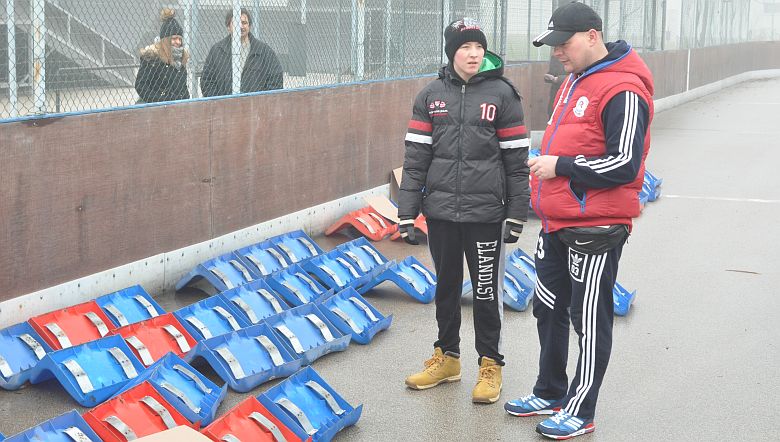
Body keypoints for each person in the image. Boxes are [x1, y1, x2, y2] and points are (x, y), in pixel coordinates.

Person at [503, 2, 654, 439]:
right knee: (547, 307)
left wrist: (561, 166)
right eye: (552, 45)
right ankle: (549, 390)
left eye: (563, 44)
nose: (557, 53)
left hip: (595, 227)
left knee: (587, 318)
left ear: (592, 36)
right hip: (556, 220)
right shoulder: (576, 79)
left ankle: (580, 410)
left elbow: (625, 163)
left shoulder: (623, 88)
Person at [399, 17, 530, 404]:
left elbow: (516, 162)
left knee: (486, 292)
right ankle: (447, 358)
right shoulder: (430, 96)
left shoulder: (503, 95)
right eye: (465, 47)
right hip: (440, 213)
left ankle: (491, 364)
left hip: (486, 215)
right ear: (451, 52)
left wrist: (517, 212)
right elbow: (416, 159)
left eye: (478, 47)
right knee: (445, 289)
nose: (473, 54)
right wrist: (407, 213)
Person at [200, 8, 283, 97]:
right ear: (228, 27)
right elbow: (207, 80)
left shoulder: (264, 51)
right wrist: (219, 101)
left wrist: (263, 101)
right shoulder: (217, 51)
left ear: (249, 26)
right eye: (236, 23)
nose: (241, 26)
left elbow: (276, 78)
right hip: (225, 104)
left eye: (244, 23)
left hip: (255, 104)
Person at [135, 8, 190, 103]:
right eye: (174, 39)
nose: (178, 42)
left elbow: (183, 87)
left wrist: (186, 100)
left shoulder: (180, 58)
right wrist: (161, 101)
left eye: (179, 39)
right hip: (154, 105)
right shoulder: (152, 57)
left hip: (178, 105)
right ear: (165, 40)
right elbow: (141, 85)